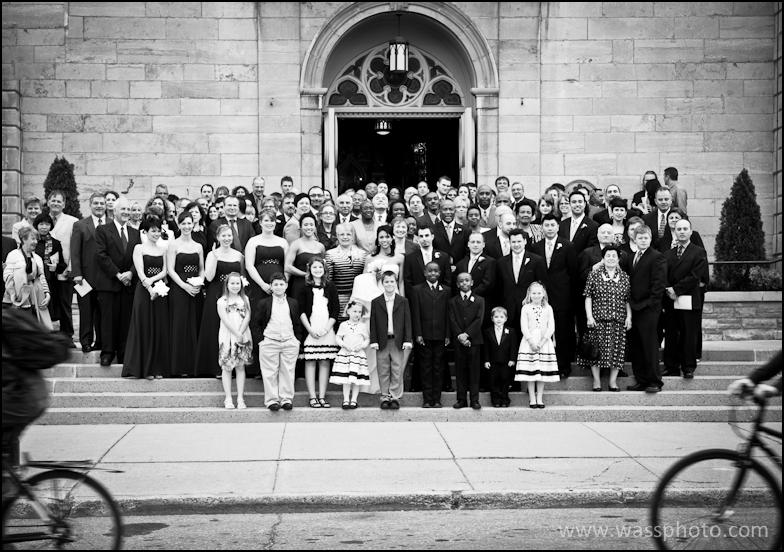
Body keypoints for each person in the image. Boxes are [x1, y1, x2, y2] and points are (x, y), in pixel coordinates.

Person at [529, 214, 578, 379]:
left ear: (558, 227)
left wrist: (571, 297)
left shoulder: (568, 245)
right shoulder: (535, 246)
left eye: (552, 225)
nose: (549, 228)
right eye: (546, 225)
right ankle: (543, 365)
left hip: (562, 296)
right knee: (542, 330)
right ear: (542, 227)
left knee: (563, 331)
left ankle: (563, 366)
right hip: (541, 296)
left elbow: (573, 272)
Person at [121, 214, 170, 380]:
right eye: (153, 231)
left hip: (160, 290)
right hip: (143, 292)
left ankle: (157, 368)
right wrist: (148, 287)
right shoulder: (139, 248)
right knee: (144, 326)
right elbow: (140, 271)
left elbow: (164, 271)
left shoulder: (163, 249)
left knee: (158, 327)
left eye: (158, 231)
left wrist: (153, 281)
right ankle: (144, 368)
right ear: (145, 231)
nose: (156, 234)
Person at [95, 197, 140, 367]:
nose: (126, 213)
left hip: (129, 284)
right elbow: (101, 255)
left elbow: (139, 257)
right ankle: (107, 353)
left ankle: (123, 353)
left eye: (128, 210)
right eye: (123, 210)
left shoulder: (136, 233)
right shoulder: (103, 230)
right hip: (109, 283)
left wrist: (130, 273)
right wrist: (117, 274)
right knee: (108, 320)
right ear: (114, 211)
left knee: (126, 321)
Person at [194, 224, 244, 377]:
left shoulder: (238, 255)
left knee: (233, 327)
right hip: (216, 293)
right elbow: (208, 277)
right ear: (217, 237)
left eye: (229, 235)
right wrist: (215, 257)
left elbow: (241, 277)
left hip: (234, 294)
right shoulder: (212, 254)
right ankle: (214, 367)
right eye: (224, 236)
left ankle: (234, 364)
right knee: (215, 329)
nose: (227, 238)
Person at [662, 219, 709, 379]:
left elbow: (695, 276)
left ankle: (688, 367)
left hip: (690, 299)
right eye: (679, 229)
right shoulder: (668, 254)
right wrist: (669, 289)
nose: (681, 231)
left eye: (685, 229)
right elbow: (663, 275)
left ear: (690, 232)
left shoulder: (699, 252)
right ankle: (671, 367)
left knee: (689, 334)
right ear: (675, 231)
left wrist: (677, 289)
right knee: (671, 334)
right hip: (671, 300)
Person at [624, 225, 667, 393]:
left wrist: (650, 305)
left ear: (650, 239)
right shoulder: (633, 256)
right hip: (634, 308)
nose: (643, 240)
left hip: (648, 309)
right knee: (637, 346)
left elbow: (658, 285)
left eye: (646, 238)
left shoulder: (657, 257)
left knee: (649, 346)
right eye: (639, 238)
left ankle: (654, 381)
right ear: (634, 239)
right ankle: (641, 380)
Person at [583, 246, 631, 393]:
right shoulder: (594, 275)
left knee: (616, 351)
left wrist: (629, 317)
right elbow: (588, 296)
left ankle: (612, 382)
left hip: (618, 319)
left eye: (614, 256)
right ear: (603, 259)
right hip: (598, 319)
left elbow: (627, 299)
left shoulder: (624, 277)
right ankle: (597, 381)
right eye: (608, 255)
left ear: (618, 259)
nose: (611, 258)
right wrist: (589, 316)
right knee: (595, 352)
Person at [253, 273, 304, 411]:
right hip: (269, 341)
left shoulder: (293, 303)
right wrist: (261, 341)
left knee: (288, 371)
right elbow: (256, 324)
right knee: (269, 372)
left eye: (281, 284)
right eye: (275, 284)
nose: (279, 287)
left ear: (286, 286)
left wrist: (297, 340)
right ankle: (271, 400)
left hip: (289, 341)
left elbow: (297, 323)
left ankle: (286, 399)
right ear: (271, 286)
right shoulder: (264, 303)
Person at [166, 210, 205, 377]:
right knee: (180, 326)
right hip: (179, 289)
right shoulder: (173, 245)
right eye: (184, 223)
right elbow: (170, 270)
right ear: (179, 224)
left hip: (195, 289)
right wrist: (184, 286)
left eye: (189, 223)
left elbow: (202, 269)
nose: (187, 226)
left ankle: (194, 366)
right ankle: (179, 366)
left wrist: (199, 283)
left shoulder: (198, 246)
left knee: (194, 324)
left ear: (193, 224)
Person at [298, 257, 339, 408]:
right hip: (311, 329)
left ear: (324, 269)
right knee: (310, 361)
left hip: (326, 329)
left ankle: (322, 396)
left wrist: (327, 329)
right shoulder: (304, 288)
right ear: (310, 270)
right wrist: (310, 329)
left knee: (324, 361)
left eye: (320, 268)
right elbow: (301, 311)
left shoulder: (331, 287)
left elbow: (335, 310)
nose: (317, 270)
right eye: (314, 268)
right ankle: (312, 397)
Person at [369, 271, 413, 410]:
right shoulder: (376, 301)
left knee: (397, 368)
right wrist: (373, 340)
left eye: (392, 281)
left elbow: (407, 321)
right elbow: (373, 323)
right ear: (382, 284)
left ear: (396, 283)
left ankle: (394, 396)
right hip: (382, 340)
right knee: (383, 369)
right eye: (386, 282)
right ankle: (384, 396)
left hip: (397, 340)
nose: (389, 284)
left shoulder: (403, 301)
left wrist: (407, 339)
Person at [410, 261, 451, 408]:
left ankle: (437, 399)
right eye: (430, 271)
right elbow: (415, 313)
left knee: (438, 368)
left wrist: (447, 334)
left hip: (440, 336)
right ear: (424, 273)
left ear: (439, 273)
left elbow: (448, 314)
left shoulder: (446, 290)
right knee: (426, 368)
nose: (433, 273)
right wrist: (418, 333)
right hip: (424, 336)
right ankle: (427, 399)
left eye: (435, 271)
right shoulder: (417, 290)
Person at [70, 192, 106, 353]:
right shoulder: (80, 225)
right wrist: (76, 273)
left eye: (102, 203)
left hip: (106, 278)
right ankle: (86, 341)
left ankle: (101, 341)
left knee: (102, 312)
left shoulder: (111, 224)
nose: (99, 206)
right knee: (86, 311)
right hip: (85, 277)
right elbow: (75, 251)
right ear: (90, 205)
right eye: (96, 203)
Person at [515, 282, 559, 408]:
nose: (536, 295)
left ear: (543, 294)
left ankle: (540, 398)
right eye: (534, 293)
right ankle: (532, 399)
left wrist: (542, 341)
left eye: (539, 293)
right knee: (531, 371)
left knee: (542, 372)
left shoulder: (548, 308)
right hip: (530, 342)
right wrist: (531, 341)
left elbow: (551, 326)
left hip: (544, 342)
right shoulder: (526, 308)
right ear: (529, 294)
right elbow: (523, 326)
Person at [495, 229, 547, 328]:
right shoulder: (501, 262)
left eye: (519, 241)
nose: (516, 244)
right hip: (508, 307)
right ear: (509, 242)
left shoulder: (537, 260)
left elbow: (542, 284)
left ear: (525, 241)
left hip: (529, 307)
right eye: (513, 242)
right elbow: (499, 287)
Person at [46, 190, 78, 346]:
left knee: (65, 304)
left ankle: (68, 336)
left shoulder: (72, 221)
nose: (56, 204)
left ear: (64, 204)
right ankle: (49, 336)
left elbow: (75, 246)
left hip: (64, 270)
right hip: (46, 271)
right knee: (48, 303)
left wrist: (71, 268)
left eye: (59, 201)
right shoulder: (42, 220)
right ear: (48, 202)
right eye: (53, 201)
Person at [449, 272, 485, 410]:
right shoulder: (452, 301)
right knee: (460, 371)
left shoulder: (480, 300)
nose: (464, 283)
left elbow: (479, 319)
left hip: (474, 341)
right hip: (459, 342)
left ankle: (474, 400)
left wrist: (467, 334)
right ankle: (461, 399)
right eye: (461, 281)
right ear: (457, 284)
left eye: (467, 280)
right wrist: (460, 335)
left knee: (474, 371)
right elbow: (452, 319)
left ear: (472, 282)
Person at [216, 272, 252, 409]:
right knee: (227, 367)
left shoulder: (245, 299)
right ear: (227, 284)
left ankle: (241, 398)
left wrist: (241, 333)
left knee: (240, 366)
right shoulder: (222, 301)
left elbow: (248, 316)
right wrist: (236, 333)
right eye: (232, 283)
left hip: (243, 335)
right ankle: (228, 398)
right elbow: (225, 320)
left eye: (238, 283)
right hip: (228, 336)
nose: (235, 286)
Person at [3, 227, 51, 324]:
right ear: (24, 239)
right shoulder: (13, 255)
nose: (36, 242)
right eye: (32, 239)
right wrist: (15, 297)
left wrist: (47, 294)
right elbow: (7, 277)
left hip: (35, 300)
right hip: (16, 302)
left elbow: (42, 277)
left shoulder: (37, 258)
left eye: (36, 239)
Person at [329, 300, 371, 409]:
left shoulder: (362, 326)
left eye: (359, 312)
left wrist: (361, 346)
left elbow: (367, 339)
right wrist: (343, 345)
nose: (357, 314)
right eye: (354, 311)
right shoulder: (343, 325)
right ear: (348, 311)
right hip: (346, 355)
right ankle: (346, 399)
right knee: (346, 379)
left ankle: (354, 400)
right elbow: (338, 337)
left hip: (358, 355)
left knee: (356, 379)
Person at [325, 223, 367, 323]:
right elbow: (328, 280)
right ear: (337, 236)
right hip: (339, 298)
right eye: (341, 234)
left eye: (348, 234)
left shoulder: (362, 254)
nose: (345, 237)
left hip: (358, 298)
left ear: (353, 236)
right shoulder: (330, 254)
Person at [32, 213, 67, 328]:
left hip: (51, 282)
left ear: (50, 226)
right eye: (41, 224)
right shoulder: (32, 241)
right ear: (36, 225)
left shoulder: (55, 243)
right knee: (34, 312)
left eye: (47, 224)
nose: (44, 227)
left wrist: (56, 267)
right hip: (34, 282)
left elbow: (62, 264)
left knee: (48, 313)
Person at [284, 212, 325, 300]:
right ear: (301, 227)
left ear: (315, 227)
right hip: (300, 284)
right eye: (305, 225)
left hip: (316, 284)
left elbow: (323, 266)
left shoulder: (321, 246)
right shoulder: (296, 244)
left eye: (311, 224)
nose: (309, 227)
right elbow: (287, 267)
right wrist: (305, 274)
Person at [483, 306, 517, 408]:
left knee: (505, 380)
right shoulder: (488, 331)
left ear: (506, 319)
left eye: (501, 317)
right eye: (496, 317)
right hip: (493, 361)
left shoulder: (511, 331)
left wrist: (512, 358)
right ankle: (495, 400)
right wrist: (486, 360)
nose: (499, 319)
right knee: (494, 381)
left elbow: (513, 346)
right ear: (492, 318)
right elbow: (486, 348)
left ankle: (505, 399)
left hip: (506, 361)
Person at [403, 225, 450, 297]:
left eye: (427, 235)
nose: (424, 239)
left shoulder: (444, 257)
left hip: (439, 298)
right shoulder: (410, 258)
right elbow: (408, 282)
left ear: (432, 237)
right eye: (421, 236)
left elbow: (447, 280)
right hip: (418, 299)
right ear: (418, 238)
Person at [559, 190, 599, 256]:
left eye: (580, 202)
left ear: (585, 204)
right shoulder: (562, 224)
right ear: (570, 204)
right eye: (574, 202)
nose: (577, 204)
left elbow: (592, 250)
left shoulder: (593, 226)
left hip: (584, 263)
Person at [432, 199, 467, 266]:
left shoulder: (465, 231)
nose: (448, 212)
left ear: (455, 211)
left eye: (451, 209)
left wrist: (459, 266)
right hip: (440, 268)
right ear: (440, 211)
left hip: (460, 269)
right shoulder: (433, 230)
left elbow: (467, 253)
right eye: (445, 209)